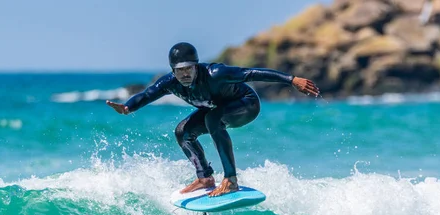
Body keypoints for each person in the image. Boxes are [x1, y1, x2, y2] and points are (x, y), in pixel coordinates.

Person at [107, 42, 320, 197]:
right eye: (179, 71)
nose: (185, 75)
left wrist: (291, 80)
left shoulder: (216, 73)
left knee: (213, 118)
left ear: (196, 65)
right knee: (183, 132)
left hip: (246, 105)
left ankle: (231, 180)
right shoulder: (170, 83)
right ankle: (205, 177)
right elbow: (148, 94)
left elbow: (251, 73)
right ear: (173, 71)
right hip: (216, 110)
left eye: (189, 69)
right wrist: (128, 107)